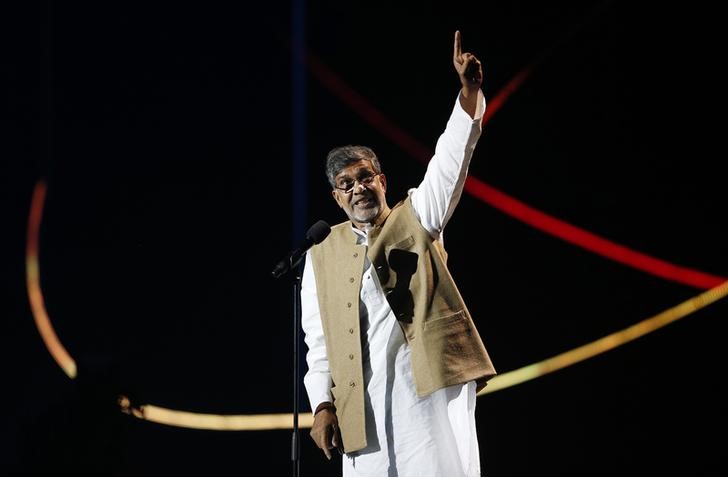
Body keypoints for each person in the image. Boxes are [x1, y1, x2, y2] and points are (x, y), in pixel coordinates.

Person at [300, 30, 496, 477]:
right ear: (337, 199)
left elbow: (448, 164)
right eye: (346, 185)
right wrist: (321, 405)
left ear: (382, 180)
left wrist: (468, 94)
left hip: (425, 392)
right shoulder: (321, 253)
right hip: (362, 404)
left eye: (365, 177)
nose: (358, 189)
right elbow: (319, 343)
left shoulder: (417, 216)